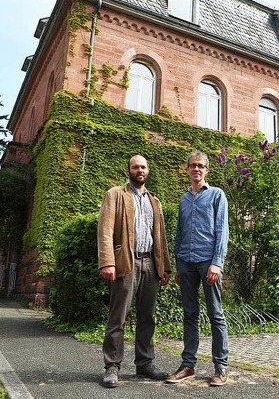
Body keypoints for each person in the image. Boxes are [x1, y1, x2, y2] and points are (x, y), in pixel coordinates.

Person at [98, 154, 172, 388]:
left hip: (150, 264)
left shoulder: (154, 201)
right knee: (118, 317)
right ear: (128, 170)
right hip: (125, 263)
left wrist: (165, 267)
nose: (139, 170)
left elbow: (160, 237)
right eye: (135, 167)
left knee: (147, 317)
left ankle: (144, 363)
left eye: (143, 167)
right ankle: (112, 366)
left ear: (148, 171)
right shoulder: (115, 195)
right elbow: (105, 230)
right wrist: (107, 262)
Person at [166, 150, 230, 387]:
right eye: (193, 165)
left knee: (216, 314)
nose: (196, 169)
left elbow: (222, 230)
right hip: (186, 262)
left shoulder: (216, 195)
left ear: (207, 169)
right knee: (190, 313)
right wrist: (178, 265)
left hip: (208, 261)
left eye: (201, 166)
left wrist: (217, 262)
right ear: (187, 169)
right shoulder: (184, 198)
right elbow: (180, 232)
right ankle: (188, 365)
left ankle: (220, 367)